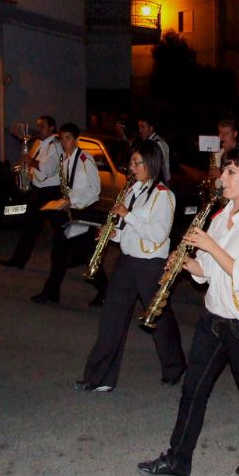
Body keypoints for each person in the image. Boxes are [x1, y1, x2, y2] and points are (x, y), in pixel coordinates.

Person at [138, 145, 239, 476]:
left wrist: (209, 244)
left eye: (232, 172)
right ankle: (178, 460)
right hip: (214, 319)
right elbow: (207, 273)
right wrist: (187, 264)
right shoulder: (218, 217)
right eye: (224, 170)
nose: (223, 177)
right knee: (193, 389)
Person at [74, 140, 186, 392]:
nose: (132, 167)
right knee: (111, 318)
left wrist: (128, 215)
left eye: (137, 163)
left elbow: (158, 234)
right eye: (131, 163)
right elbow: (129, 231)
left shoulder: (164, 196)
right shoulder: (132, 190)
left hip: (150, 264)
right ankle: (100, 378)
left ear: (151, 163)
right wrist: (112, 234)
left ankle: (174, 366)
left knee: (158, 318)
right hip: (127, 262)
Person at [31, 122, 105, 305]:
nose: (64, 143)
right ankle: (51, 292)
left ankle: (105, 291)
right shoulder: (65, 160)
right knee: (59, 253)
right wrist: (64, 201)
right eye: (62, 139)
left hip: (84, 212)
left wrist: (73, 200)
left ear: (76, 139)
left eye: (68, 138)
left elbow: (95, 190)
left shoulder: (85, 159)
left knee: (87, 255)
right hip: (70, 212)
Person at [0, 116, 62, 270]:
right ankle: (19, 260)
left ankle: (71, 257)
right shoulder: (38, 144)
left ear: (52, 128)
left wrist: (31, 162)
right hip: (39, 191)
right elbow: (31, 165)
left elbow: (48, 169)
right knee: (30, 227)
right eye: (38, 125)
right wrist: (24, 171)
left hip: (51, 192)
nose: (39, 129)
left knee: (60, 230)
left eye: (42, 126)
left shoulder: (55, 146)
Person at [138, 117, 171, 182]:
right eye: (139, 127)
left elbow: (157, 169)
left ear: (151, 128)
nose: (140, 130)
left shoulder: (157, 144)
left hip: (159, 183)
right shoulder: (151, 142)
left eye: (143, 127)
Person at [208, 117, 239, 183]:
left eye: (227, 133)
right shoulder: (217, 154)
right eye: (221, 132)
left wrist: (221, 174)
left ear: (235, 134)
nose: (222, 136)